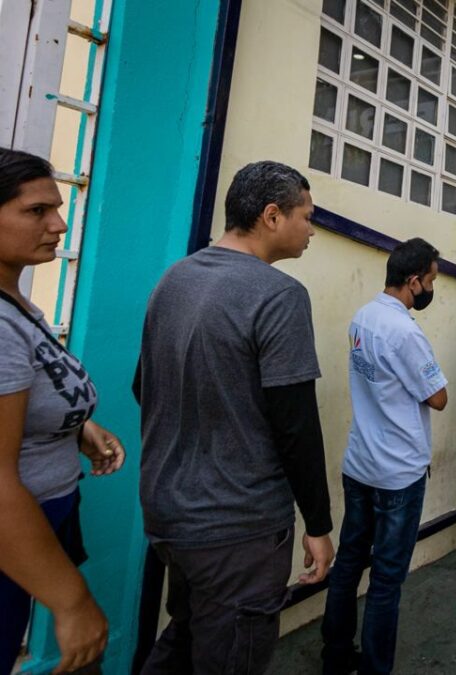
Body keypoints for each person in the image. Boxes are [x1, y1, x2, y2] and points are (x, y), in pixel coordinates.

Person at [136, 161, 334, 673]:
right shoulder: (279, 295)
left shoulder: (174, 279)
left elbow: (145, 387)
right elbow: (295, 425)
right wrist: (318, 523)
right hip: (237, 528)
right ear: (272, 215)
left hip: (170, 514)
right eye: (306, 217)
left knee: (185, 638)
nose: (312, 230)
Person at [0, 148, 124, 674]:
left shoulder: (17, 306)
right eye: (35, 211)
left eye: (56, 207)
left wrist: (77, 426)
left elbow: (28, 402)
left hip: (45, 521)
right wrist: (72, 602)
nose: (59, 223)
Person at [322, 237, 448, 675]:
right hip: (398, 474)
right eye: (431, 281)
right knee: (386, 579)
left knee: (349, 562)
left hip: (360, 464)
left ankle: (335, 658)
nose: (432, 289)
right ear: (413, 281)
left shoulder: (362, 318)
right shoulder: (405, 332)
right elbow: (439, 398)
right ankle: (375, 668)